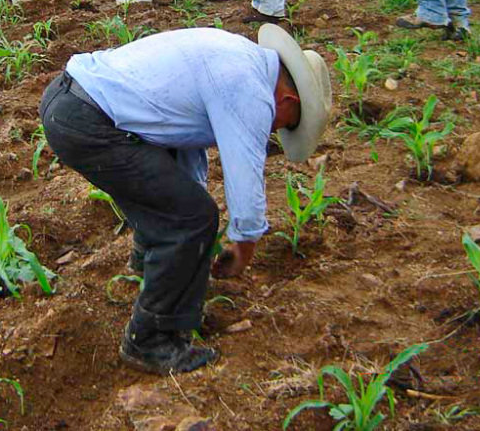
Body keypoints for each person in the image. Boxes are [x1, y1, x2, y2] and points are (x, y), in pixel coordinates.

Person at [39, 25, 332, 375]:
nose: (275, 129)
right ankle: (150, 340)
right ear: (289, 101)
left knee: (180, 206)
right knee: (190, 218)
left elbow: (182, 142)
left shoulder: (236, 56)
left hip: (70, 101)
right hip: (89, 120)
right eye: (285, 124)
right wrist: (244, 248)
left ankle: (151, 263)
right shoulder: (251, 89)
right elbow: (244, 177)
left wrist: (191, 233)